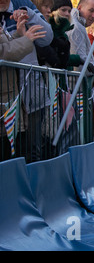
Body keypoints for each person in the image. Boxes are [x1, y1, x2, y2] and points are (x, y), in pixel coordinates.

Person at [1, 14, 47, 161]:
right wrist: (25, 40)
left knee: (13, 152)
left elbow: (6, 48)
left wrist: (18, 35)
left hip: (10, 98)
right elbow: (3, 53)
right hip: (4, 101)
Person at [67, 0, 94, 77]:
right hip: (74, 86)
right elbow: (81, 67)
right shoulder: (77, 27)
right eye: (91, 10)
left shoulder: (78, 25)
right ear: (79, 8)